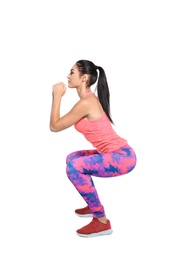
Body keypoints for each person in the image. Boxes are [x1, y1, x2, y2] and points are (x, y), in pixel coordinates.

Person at [50, 59, 137, 238]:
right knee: (72, 158)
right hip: (117, 153)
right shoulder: (87, 100)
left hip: (123, 157)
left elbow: (55, 126)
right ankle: (92, 204)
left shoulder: (86, 103)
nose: (68, 76)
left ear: (84, 78)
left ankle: (101, 221)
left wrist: (57, 97)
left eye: (72, 72)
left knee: (74, 167)